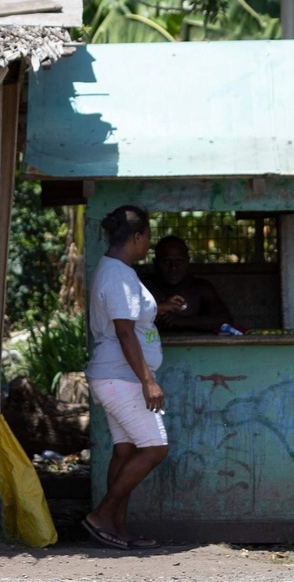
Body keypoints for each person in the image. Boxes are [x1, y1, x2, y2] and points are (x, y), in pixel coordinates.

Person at [83, 206, 182, 551]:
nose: (149, 246)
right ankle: (102, 515)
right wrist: (148, 381)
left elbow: (130, 320)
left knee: (126, 452)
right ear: (138, 237)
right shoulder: (118, 275)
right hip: (121, 377)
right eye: (149, 238)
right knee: (155, 447)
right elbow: (124, 332)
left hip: (116, 376)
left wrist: (161, 308)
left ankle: (117, 530)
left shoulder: (117, 271)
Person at [142, 236, 236, 333]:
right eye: (166, 262)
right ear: (155, 263)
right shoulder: (144, 287)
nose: (173, 268)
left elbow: (225, 320)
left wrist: (183, 321)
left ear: (187, 261)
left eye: (179, 261)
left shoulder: (201, 287)